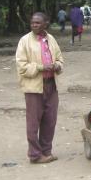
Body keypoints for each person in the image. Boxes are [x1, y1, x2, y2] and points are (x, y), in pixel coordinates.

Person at [16, 12, 64, 164]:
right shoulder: (24, 41)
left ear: (46, 24)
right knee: (33, 122)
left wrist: (57, 65)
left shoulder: (51, 39)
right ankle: (35, 155)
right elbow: (21, 67)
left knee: (50, 120)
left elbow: (60, 59)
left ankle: (46, 152)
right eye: (32, 23)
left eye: (38, 23)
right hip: (34, 87)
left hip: (51, 85)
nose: (34, 25)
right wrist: (42, 67)